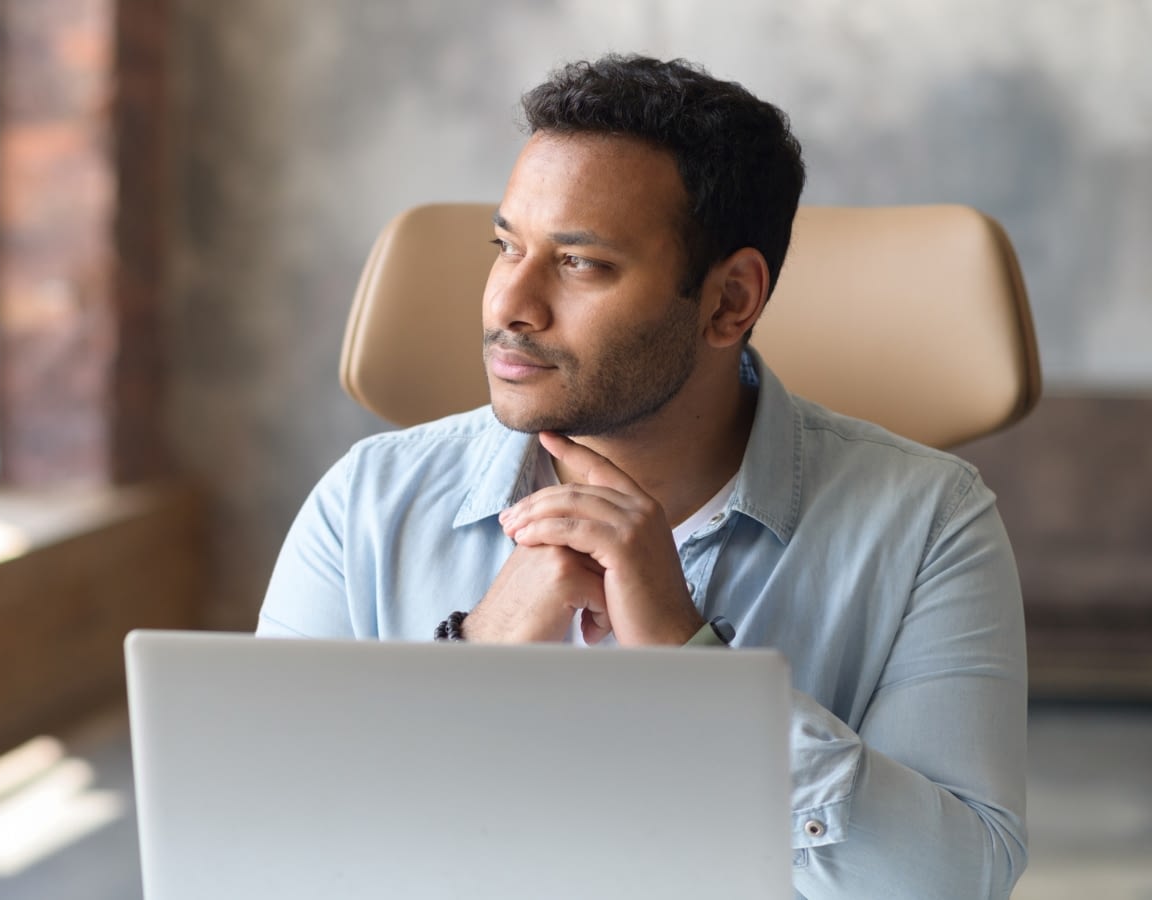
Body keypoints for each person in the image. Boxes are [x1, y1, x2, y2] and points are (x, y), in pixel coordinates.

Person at [257, 54, 1028, 898]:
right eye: (505, 246)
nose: (510, 303)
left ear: (731, 301)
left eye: (580, 263)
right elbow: (256, 863)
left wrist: (695, 670)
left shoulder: (929, 524)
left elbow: (950, 885)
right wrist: (476, 659)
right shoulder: (365, 502)